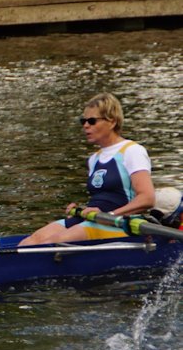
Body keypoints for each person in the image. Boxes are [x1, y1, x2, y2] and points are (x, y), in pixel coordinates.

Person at [19, 92, 155, 246]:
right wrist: (81, 209)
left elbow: (147, 198)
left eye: (92, 121)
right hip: (94, 219)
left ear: (112, 122)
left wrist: (108, 215)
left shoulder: (132, 151)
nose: (85, 125)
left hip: (120, 223)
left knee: (53, 243)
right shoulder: (94, 159)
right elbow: (104, 198)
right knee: (28, 243)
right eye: (83, 121)